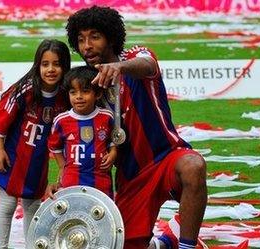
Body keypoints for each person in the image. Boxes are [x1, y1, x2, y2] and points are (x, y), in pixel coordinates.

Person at [66, 6, 207, 249]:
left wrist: (120, 68)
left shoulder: (135, 57)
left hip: (166, 157)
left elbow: (147, 64)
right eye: (80, 40)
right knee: (124, 244)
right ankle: (166, 241)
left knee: (193, 166)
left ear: (111, 38)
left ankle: (187, 246)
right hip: (131, 177)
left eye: (94, 37)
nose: (86, 46)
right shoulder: (88, 86)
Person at [0, 39, 71, 249]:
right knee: (7, 205)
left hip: (37, 160)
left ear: (65, 66)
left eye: (57, 64)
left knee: (33, 206)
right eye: (45, 64)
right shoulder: (26, 90)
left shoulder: (66, 94)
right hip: (12, 156)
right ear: (37, 65)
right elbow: (1, 119)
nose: (51, 69)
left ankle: (33, 245)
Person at [45, 66, 117, 199]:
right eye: (73, 92)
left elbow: (112, 139)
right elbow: (55, 146)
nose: (78, 97)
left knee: (101, 214)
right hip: (72, 179)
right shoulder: (61, 120)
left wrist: (113, 152)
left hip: (101, 179)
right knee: (74, 213)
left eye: (85, 91)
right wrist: (62, 167)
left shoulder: (107, 117)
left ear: (98, 94)